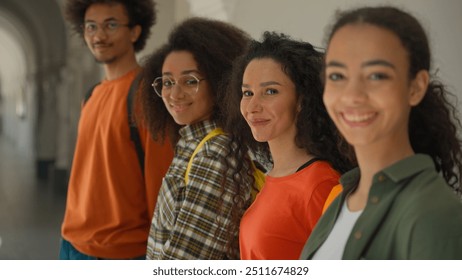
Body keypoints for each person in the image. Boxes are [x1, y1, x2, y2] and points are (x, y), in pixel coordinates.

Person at [300, 6, 462, 260]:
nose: (352, 96)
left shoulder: (434, 215)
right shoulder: (342, 197)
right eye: (337, 75)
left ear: (416, 87)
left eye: (376, 75)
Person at [224, 32, 354, 260]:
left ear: (302, 100)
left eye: (270, 91)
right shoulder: (272, 176)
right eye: (247, 93)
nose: (253, 106)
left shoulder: (320, 186)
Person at [60, 0, 174, 260]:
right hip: (71, 243)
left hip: (122, 252)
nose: (99, 36)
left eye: (111, 25)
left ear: (134, 31)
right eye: (91, 27)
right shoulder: (91, 95)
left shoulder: (147, 94)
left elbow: (160, 185)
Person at [136, 17, 254, 259]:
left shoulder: (215, 152)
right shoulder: (193, 143)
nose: (175, 94)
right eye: (168, 82)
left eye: (190, 81)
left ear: (220, 82)